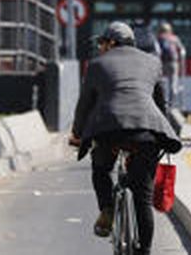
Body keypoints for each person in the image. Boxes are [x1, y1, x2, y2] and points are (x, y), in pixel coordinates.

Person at [70, 22, 182, 255]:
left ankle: (108, 208)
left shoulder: (96, 65)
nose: (101, 48)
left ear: (112, 43)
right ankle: (145, 251)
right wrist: (165, 134)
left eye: (102, 43)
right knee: (143, 197)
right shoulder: (153, 62)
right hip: (147, 132)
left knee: (101, 170)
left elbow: (85, 105)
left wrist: (78, 134)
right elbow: (161, 105)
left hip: (109, 131)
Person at [156, 22, 185, 110]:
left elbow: (157, 50)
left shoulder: (158, 38)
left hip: (162, 63)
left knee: (161, 82)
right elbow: (182, 50)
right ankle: (172, 104)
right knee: (173, 83)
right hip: (173, 63)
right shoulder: (174, 38)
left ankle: (162, 101)